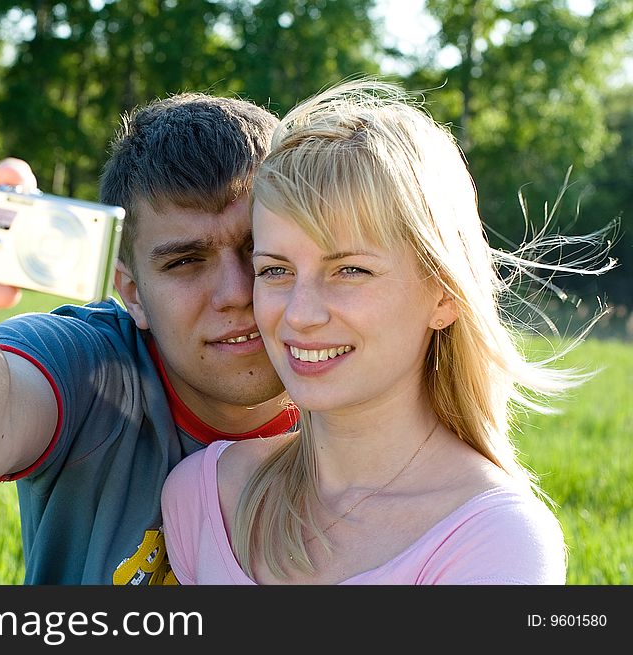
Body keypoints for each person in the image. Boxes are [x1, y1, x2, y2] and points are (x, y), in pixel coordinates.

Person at [161, 78, 616, 585]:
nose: (300, 314)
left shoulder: (494, 539)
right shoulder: (204, 497)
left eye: (350, 270)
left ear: (444, 293)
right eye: (275, 270)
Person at [0, 92, 298, 585]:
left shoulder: (363, 392)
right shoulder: (94, 369)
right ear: (132, 294)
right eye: (185, 262)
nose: (235, 293)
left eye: (259, 249)